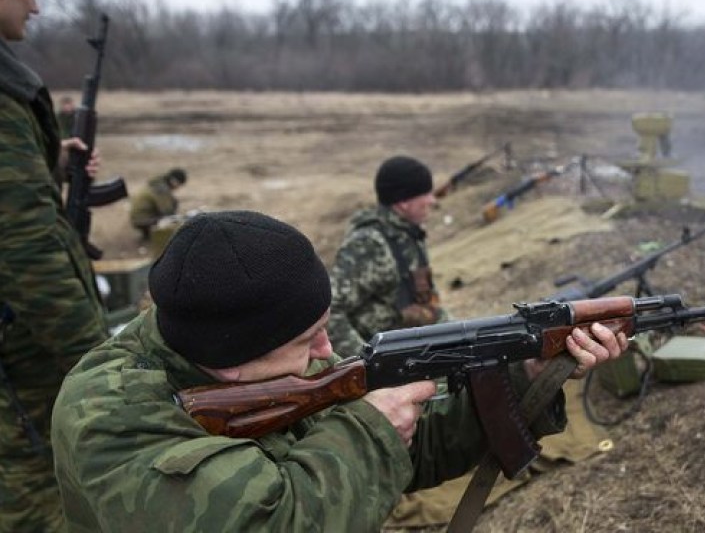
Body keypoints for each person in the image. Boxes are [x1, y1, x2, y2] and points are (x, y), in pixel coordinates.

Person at [51, 210, 628, 531]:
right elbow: (274, 521)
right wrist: (371, 429)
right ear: (231, 360)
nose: (328, 348)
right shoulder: (107, 414)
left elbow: (406, 457)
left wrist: (528, 375)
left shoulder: (285, 372)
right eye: (307, 338)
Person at [0, 0, 109, 531]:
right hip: (20, 353)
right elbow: (21, 247)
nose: (35, 7)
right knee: (37, 493)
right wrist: (94, 358)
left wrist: (51, 162)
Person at [328, 155, 447, 358]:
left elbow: (427, 303)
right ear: (403, 202)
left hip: (413, 351)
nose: (432, 200)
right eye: (425, 193)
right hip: (386, 365)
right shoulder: (368, 244)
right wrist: (367, 362)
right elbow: (330, 313)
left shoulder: (409, 235)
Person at [129, 167, 187, 240]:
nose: (178, 187)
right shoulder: (161, 189)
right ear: (174, 181)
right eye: (179, 184)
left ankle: (148, 234)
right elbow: (167, 211)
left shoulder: (157, 183)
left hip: (137, 217)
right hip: (141, 220)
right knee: (171, 219)